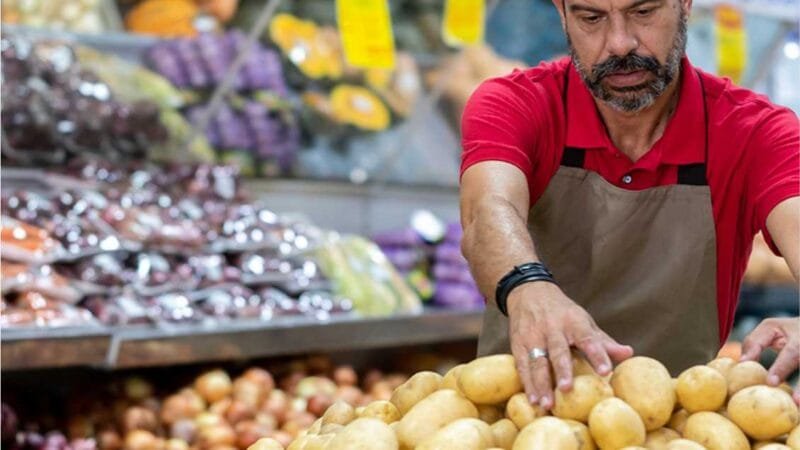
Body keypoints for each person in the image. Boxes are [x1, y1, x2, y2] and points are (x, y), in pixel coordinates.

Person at [459, 0, 800, 410]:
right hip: (524, 418)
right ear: (561, 12)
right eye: (591, 18)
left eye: (644, 12)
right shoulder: (515, 103)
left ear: (685, 4)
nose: (619, 44)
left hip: (675, 426)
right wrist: (527, 286)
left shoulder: (755, 132)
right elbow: (488, 210)